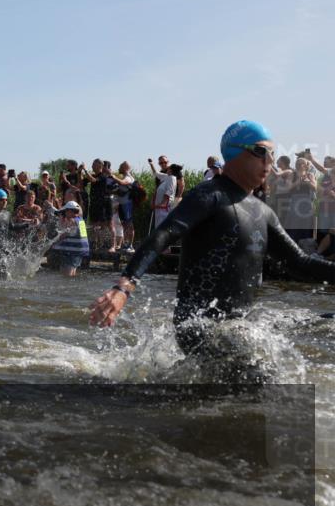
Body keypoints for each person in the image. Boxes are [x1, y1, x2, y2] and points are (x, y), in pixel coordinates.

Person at [90, 121, 335, 382]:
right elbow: (163, 234)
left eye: (272, 153)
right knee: (261, 368)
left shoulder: (263, 213)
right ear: (235, 153)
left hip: (240, 327)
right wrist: (124, 287)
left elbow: (300, 262)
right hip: (198, 326)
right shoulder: (209, 195)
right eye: (261, 151)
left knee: (326, 323)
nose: (269, 160)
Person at [48, 201, 89, 276]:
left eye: (65, 211)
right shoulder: (80, 220)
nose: (64, 214)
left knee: (66, 275)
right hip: (78, 251)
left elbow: (62, 234)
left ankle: (67, 287)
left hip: (73, 251)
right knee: (71, 272)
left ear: (70, 211)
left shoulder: (72, 221)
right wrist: (53, 209)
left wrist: (52, 243)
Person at [149, 155, 176, 228]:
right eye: (161, 163)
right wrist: (151, 164)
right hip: (159, 207)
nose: (164, 165)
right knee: (158, 227)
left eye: (165, 162)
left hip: (164, 208)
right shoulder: (166, 176)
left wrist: (162, 205)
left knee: (162, 228)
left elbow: (169, 191)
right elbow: (156, 173)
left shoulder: (172, 178)